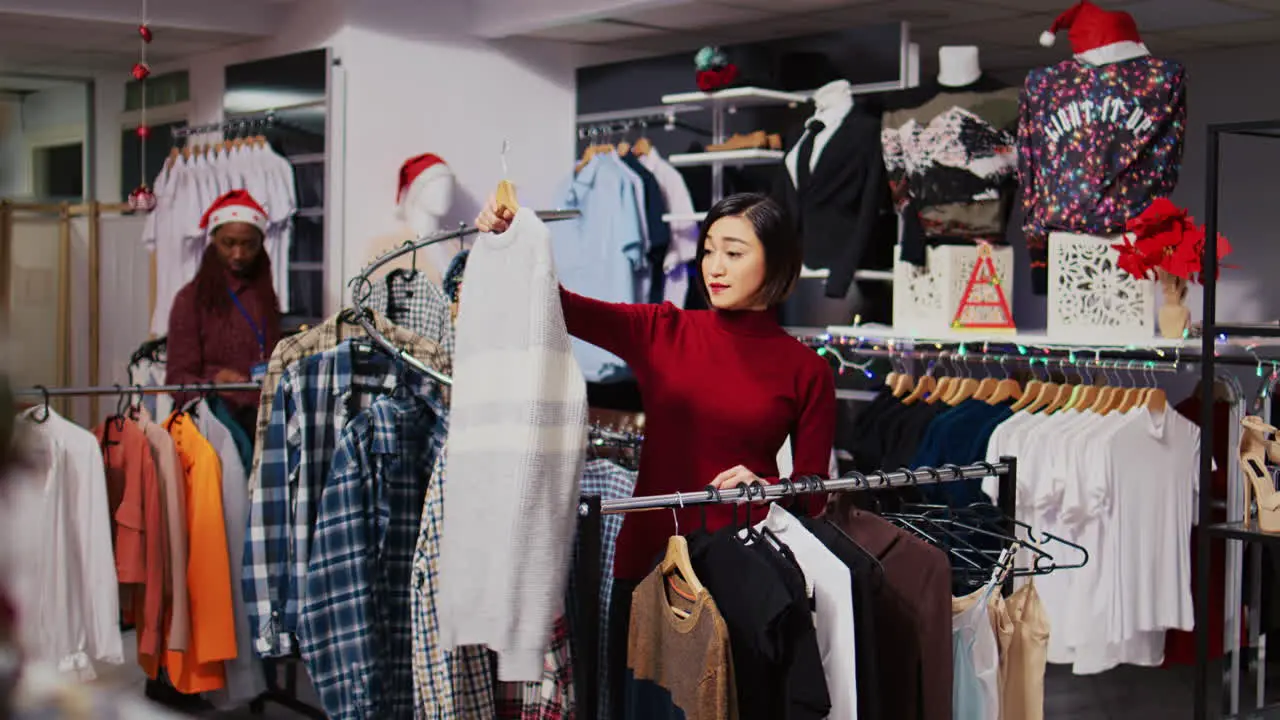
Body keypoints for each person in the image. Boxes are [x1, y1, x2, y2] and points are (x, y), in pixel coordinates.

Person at [477, 191, 836, 713]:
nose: (714, 266)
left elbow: (814, 496)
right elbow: (558, 305)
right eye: (709, 250)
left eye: (733, 253)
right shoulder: (664, 330)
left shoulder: (807, 370)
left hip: (741, 573)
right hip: (650, 564)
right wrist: (507, 244)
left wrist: (769, 488)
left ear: (777, 260)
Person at [167, 190, 281, 436]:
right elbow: (176, 380)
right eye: (228, 243)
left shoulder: (265, 296)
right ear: (214, 241)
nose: (238, 254)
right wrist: (214, 383)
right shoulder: (190, 300)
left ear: (260, 245)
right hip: (213, 426)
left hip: (263, 418)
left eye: (248, 245)